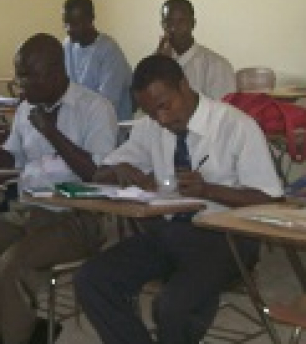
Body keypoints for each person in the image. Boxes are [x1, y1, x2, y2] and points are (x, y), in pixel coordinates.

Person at [74, 54, 283, 344]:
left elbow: (269, 200)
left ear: (184, 87)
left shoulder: (236, 126)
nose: (162, 119)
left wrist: (209, 190)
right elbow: (102, 173)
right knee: (92, 279)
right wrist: (119, 170)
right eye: (150, 113)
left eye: (164, 106)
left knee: (173, 306)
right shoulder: (151, 127)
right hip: (171, 232)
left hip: (228, 238)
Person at [0, 33, 118, 344]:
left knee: (14, 264)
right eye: (18, 73)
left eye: (28, 75)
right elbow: (16, 164)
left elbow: (98, 176)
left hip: (77, 217)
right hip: (25, 208)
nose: (20, 83)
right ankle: (26, 331)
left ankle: (16, 335)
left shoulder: (96, 109)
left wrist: (51, 132)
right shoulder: (26, 109)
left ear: (56, 72)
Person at [63, 0, 133, 120]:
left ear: (90, 19)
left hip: (111, 126)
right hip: (80, 122)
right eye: (66, 23)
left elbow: (107, 105)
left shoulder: (109, 51)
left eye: (74, 24)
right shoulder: (68, 46)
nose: (68, 29)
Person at [157, 0, 236, 99]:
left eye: (181, 21)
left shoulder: (217, 66)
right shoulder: (157, 62)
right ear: (162, 25)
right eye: (168, 22)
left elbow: (222, 111)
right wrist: (158, 64)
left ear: (193, 24)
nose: (173, 28)